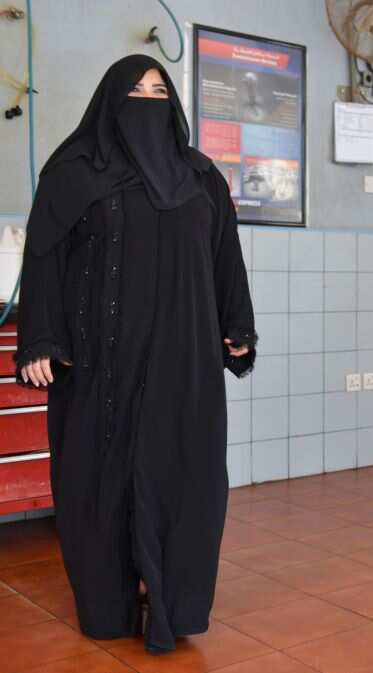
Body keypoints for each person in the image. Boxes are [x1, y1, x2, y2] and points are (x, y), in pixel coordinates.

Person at [14, 55, 257, 653]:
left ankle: (172, 597)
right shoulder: (72, 173)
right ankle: (110, 601)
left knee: (185, 479)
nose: (148, 101)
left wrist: (239, 327)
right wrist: (41, 338)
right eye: (135, 91)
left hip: (186, 361)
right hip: (102, 363)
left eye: (159, 90)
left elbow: (225, 258)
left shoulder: (202, 178)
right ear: (109, 101)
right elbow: (43, 257)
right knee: (100, 480)